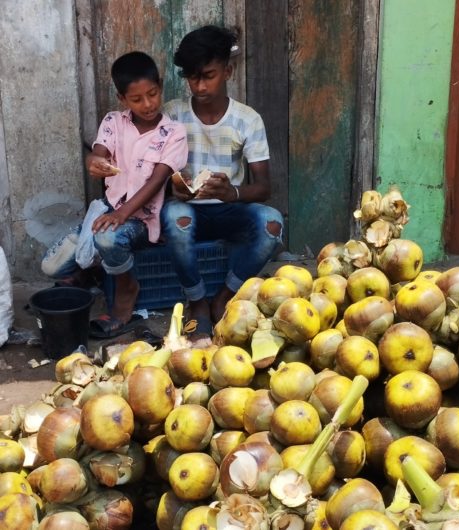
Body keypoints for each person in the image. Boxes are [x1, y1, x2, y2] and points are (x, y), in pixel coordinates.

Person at [42, 51, 188, 338]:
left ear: (160, 85)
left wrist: (122, 214)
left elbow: (157, 182)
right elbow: (98, 153)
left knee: (107, 238)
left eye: (153, 94)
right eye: (137, 99)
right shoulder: (113, 122)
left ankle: (126, 288)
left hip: (142, 222)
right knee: (51, 265)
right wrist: (94, 164)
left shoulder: (173, 132)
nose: (147, 104)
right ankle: (94, 272)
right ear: (123, 99)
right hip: (107, 210)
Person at [161, 25, 283, 334]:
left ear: (227, 71)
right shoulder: (173, 114)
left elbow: (264, 188)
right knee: (176, 218)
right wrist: (174, 186)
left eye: (208, 75)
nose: (199, 86)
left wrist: (233, 193)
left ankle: (224, 296)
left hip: (230, 210)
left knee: (272, 224)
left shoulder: (247, 119)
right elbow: (153, 175)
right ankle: (198, 301)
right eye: (191, 77)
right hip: (188, 210)